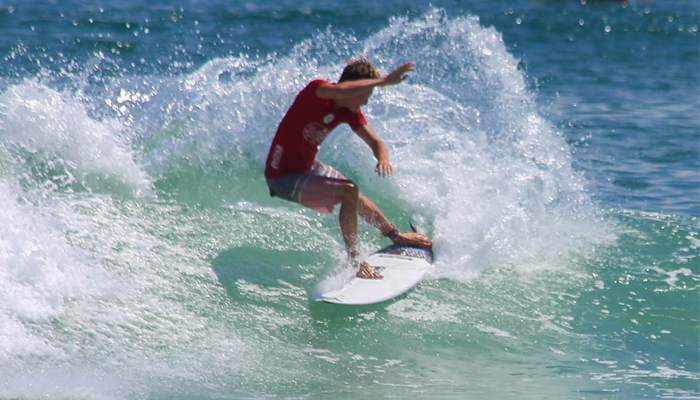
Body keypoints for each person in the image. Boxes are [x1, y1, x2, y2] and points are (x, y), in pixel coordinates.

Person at [264, 55, 432, 279]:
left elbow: (376, 142)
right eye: (366, 94)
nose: (365, 102)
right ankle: (355, 261)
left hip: (306, 167)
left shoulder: (348, 112)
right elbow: (341, 91)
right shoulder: (316, 91)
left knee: (355, 196)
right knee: (349, 190)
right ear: (355, 89)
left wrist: (383, 158)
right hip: (281, 176)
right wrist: (384, 81)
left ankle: (395, 236)